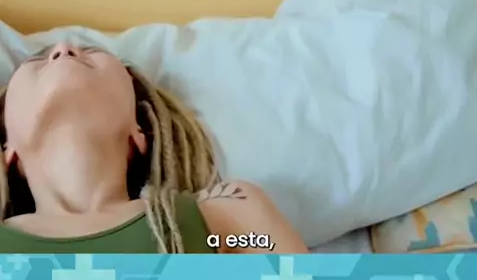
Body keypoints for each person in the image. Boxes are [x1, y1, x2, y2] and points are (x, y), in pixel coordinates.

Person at [0, 43, 308, 254]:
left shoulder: (225, 214)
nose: (64, 49)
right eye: (37, 60)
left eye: (92, 53)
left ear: (139, 131)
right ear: (7, 148)